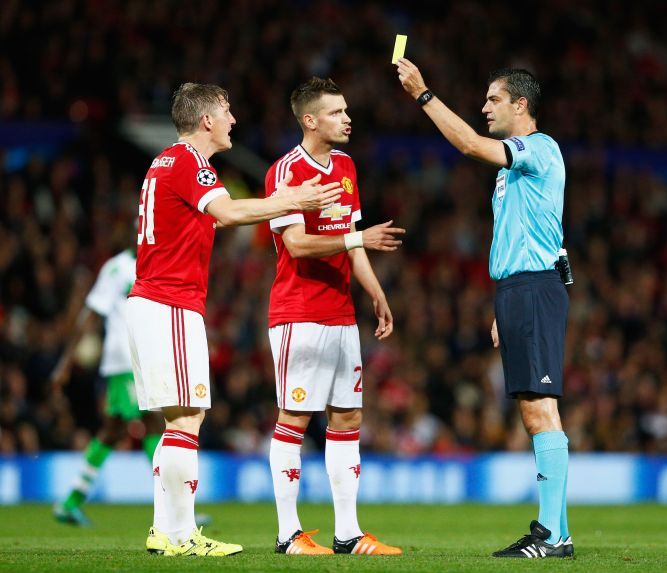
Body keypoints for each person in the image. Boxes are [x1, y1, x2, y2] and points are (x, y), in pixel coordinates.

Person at [126, 82, 342, 557]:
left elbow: (217, 218)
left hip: (153, 301)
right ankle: (182, 535)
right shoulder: (188, 161)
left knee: (178, 419)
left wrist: (275, 202)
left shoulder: (166, 162)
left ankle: (166, 531)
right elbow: (226, 210)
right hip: (169, 302)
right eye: (226, 111)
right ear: (206, 120)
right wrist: (294, 201)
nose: (233, 120)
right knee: (188, 417)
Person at [397, 60, 572, 559]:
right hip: (520, 290)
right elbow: (525, 230)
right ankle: (558, 532)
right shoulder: (515, 168)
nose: (484, 106)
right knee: (535, 410)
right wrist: (507, 297)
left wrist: (423, 94)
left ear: (520, 104)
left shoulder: (539, 148)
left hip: (534, 290)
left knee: (540, 412)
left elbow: (471, 144)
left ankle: (551, 536)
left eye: (493, 99)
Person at [264, 77, 405, 556]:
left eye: (347, 110)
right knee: (295, 417)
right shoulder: (285, 172)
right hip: (298, 313)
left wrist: (376, 291)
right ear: (310, 120)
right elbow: (298, 245)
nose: (348, 118)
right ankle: (288, 534)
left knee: (347, 415)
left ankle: (348, 533)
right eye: (337, 112)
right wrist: (356, 241)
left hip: (341, 314)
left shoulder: (346, 166)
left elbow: (351, 234)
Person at [51, 248, 162, 527]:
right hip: (124, 358)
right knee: (152, 423)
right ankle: (174, 506)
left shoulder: (158, 262)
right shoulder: (117, 268)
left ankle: (71, 501)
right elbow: (93, 313)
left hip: (145, 356)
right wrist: (66, 361)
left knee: (112, 431)